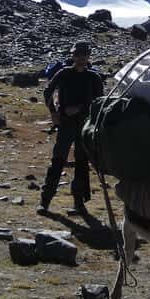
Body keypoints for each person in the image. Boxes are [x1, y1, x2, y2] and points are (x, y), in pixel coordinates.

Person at [38, 41, 104, 216]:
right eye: (78, 55)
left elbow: (99, 103)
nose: (81, 58)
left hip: (84, 125)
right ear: (73, 56)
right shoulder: (64, 73)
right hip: (66, 123)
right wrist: (53, 112)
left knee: (82, 164)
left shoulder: (94, 78)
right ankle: (45, 201)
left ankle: (79, 203)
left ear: (88, 56)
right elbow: (47, 92)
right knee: (58, 160)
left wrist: (82, 110)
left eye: (84, 55)